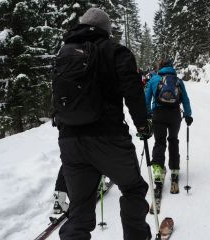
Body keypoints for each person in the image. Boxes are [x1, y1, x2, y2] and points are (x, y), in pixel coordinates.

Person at [53, 8, 152, 240]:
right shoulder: (116, 51)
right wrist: (143, 124)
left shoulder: (64, 53)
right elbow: (133, 91)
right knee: (133, 188)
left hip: (70, 141)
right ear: (106, 30)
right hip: (109, 138)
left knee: (79, 206)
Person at [145, 59, 192, 194]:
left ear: (160, 67)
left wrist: (148, 114)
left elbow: (146, 99)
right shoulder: (178, 80)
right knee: (173, 140)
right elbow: (186, 99)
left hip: (158, 115)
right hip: (174, 115)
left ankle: (158, 174)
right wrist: (188, 115)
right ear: (171, 67)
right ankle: (175, 172)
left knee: (159, 143)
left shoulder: (154, 80)